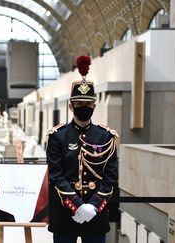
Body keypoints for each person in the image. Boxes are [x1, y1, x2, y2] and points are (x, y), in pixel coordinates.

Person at [46, 56, 118, 243]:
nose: (83, 108)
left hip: (96, 214)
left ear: (94, 105)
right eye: (79, 104)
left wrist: (93, 207)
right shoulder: (57, 136)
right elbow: (56, 176)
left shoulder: (106, 136)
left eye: (87, 104)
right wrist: (77, 206)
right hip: (65, 214)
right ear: (71, 105)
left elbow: (110, 176)